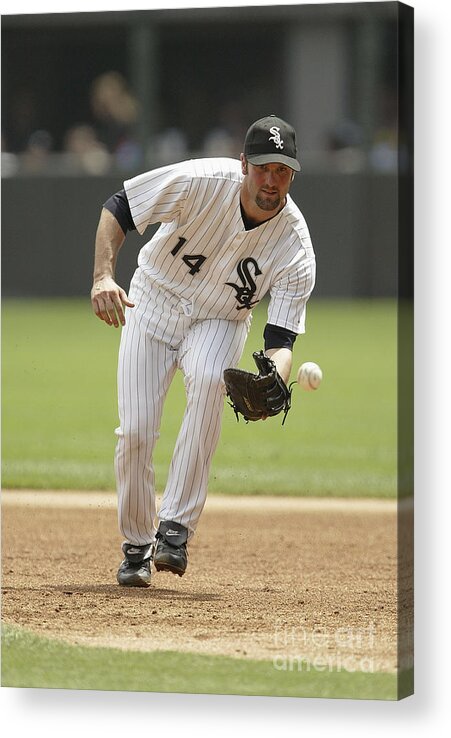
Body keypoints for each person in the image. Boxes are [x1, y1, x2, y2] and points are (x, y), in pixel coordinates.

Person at [91, 114, 316, 587]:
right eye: (262, 168)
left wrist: (275, 375)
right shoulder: (199, 182)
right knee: (134, 431)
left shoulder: (295, 248)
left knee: (214, 381)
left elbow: (281, 339)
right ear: (243, 165)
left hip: (221, 318)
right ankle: (136, 544)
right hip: (153, 298)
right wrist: (102, 276)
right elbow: (120, 206)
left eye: (282, 171)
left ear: (293, 174)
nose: (271, 181)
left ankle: (175, 528)